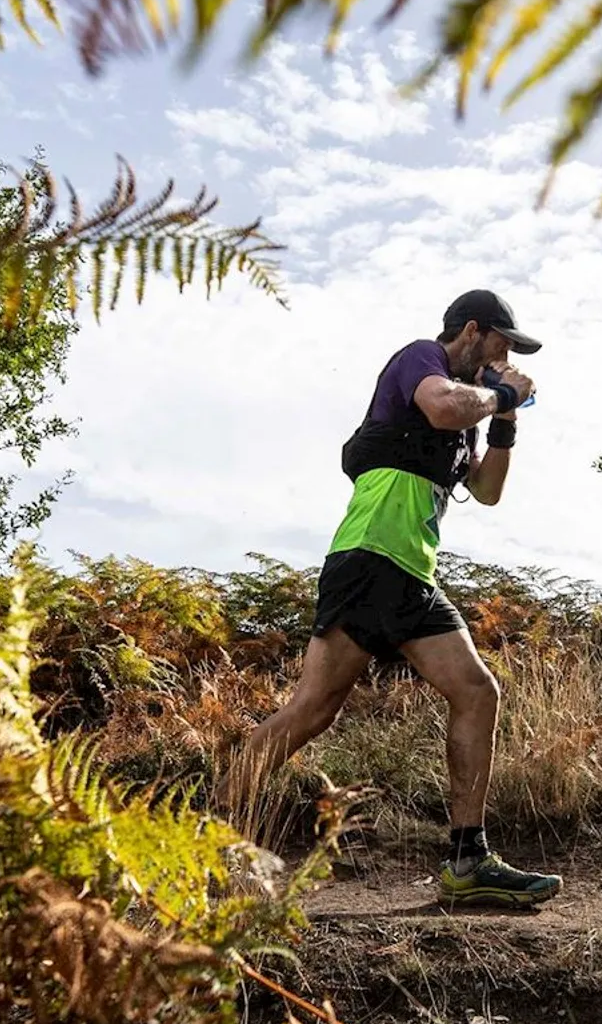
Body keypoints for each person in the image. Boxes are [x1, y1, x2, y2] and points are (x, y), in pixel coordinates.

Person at [221, 290, 562, 908]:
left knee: (478, 691)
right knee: (313, 711)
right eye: (503, 343)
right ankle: (207, 827)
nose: (507, 356)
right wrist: (501, 394)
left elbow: (487, 491)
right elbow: (441, 408)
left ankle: (467, 860)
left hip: (413, 574)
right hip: (369, 558)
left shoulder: (474, 412)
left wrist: (506, 420)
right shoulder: (420, 360)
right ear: (474, 332)